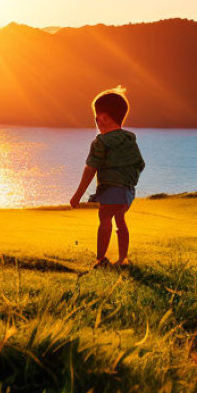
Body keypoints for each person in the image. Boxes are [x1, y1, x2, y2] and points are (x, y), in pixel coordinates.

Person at [69, 86, 145, 269]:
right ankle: (123, 258)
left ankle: (101, 259)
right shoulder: (129, 139)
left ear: (101, 118)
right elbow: (140, 164)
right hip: (127, 192)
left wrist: (78, 195)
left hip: (110, 189)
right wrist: (128, 181)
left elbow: (90, 169)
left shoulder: (101, 142)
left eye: (96, 118)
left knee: (104, 219)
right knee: (120, 220)